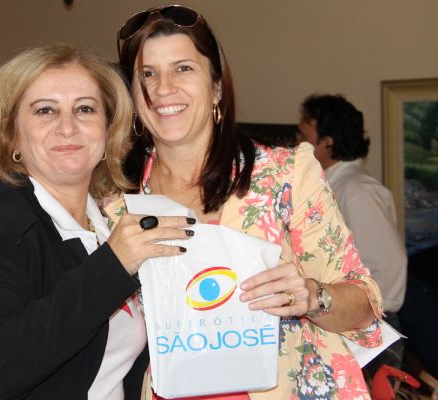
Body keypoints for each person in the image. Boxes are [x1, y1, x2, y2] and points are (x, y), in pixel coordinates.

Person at [107, 5, 384, 400]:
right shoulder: (116, 204)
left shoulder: (284, 175)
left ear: (217, 87)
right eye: (147, 74)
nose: (163, 88)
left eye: (183, 68)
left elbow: (365, 302)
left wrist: (312, 296)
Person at [0, 44, 194, 400]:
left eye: (85, 109)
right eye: (45, 111)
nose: (67, 128)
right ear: (11, 135)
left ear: (108, 129)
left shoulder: (112, 224)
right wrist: (112, 265)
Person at [298, 94, 407, 379]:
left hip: (369, 332)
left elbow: (389, 266)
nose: (297, 144)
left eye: (303, 136)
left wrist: (358, 313)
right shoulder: (334, 186)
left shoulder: (356, 190)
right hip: (351, 323)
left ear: (327, 142)